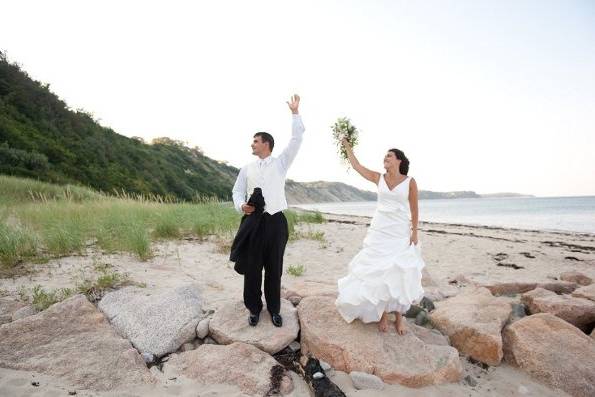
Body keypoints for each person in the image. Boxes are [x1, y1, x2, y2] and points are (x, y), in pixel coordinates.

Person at [334, 137, 424, 335]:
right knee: (378, 270)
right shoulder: (378, 178)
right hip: (380, 230)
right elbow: (356, 166)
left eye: (389, 156)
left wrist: (414, 232)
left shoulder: (410, 182)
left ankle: (400, 317)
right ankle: (383, 313)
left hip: (399, 231)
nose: (386, 158)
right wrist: (347, 146)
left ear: (399, 160)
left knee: (398, 270)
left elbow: (415, 210)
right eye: (385, 156)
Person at [231, 94, 305, 327]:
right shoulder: (246, 168)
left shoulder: (281, 163)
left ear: (266, 144)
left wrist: (295, 113)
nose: (252, 144)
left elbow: (297, 138)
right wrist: (241, 205)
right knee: (252, 270)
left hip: (276, 223)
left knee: (274, 268)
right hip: (253, 223)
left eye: (255, 141)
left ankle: (274, 309)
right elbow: (236, 192)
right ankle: (254, 308)